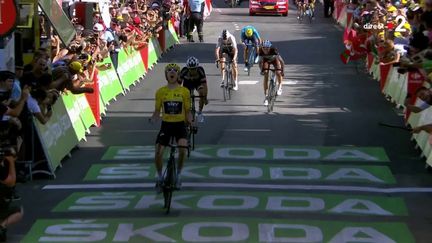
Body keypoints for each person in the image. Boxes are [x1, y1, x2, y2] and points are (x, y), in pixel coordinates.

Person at [150, 63, 193, 191]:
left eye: (175, 70)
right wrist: (153, 118)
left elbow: (188, 110)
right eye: (169, 70)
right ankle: (159, 177)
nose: (172, 72)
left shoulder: (184, 91)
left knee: (182, 150)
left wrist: (191, 121)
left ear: (178, 75)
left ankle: (178, 175)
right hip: (166, 126)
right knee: (158, 152)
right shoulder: (160, 92)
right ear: (166, 75)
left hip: (180, 125)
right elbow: (157, 111)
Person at [180, 56, 208, 123]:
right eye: (191, 69)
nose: (192, 71)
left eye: (194, 69)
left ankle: (200, 112)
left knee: (202, 92)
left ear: (197, 67)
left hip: (197, 83)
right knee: (184, 97)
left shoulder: (200, 70)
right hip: (187, 83)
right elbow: (177, 85)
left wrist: (205, 98)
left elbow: (205, 86)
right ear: (188, 68)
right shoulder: (184, 71)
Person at [258, 40, 285, 106]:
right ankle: (266, 97)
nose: (265, 50)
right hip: (266, 61)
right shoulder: (260, 51)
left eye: (267, 48)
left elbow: (282, 61)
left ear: (270, 48)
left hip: (275, 60)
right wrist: (261, 70)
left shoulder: (274, 50)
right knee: (266, 74)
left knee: (278, 72)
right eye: (264, 48)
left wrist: (282, 71)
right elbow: (260, 62)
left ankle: (280, 86)